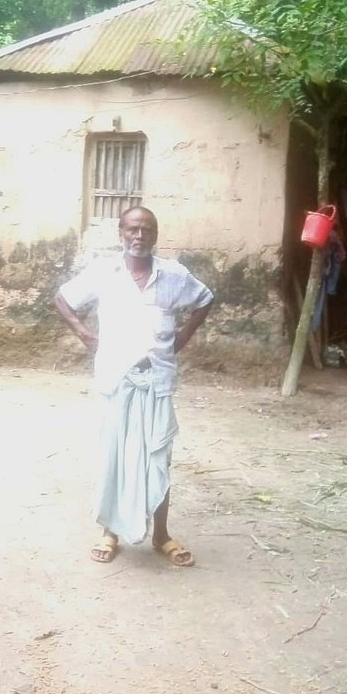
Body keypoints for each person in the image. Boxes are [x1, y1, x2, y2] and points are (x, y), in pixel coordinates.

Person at [54, 206, 213, 567]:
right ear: (120, 233)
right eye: (132, 230)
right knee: (114, 456)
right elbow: (62, 299)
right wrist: (84, 334)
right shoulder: (103, 272)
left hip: (157, 381)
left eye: (147, 230)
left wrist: (183, 334)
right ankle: (110, 532)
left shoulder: (173, 275)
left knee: (159, 457)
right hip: (115, 380)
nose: (139, 236)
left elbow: (205, 299)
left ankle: (161, 536)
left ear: (155, 235)